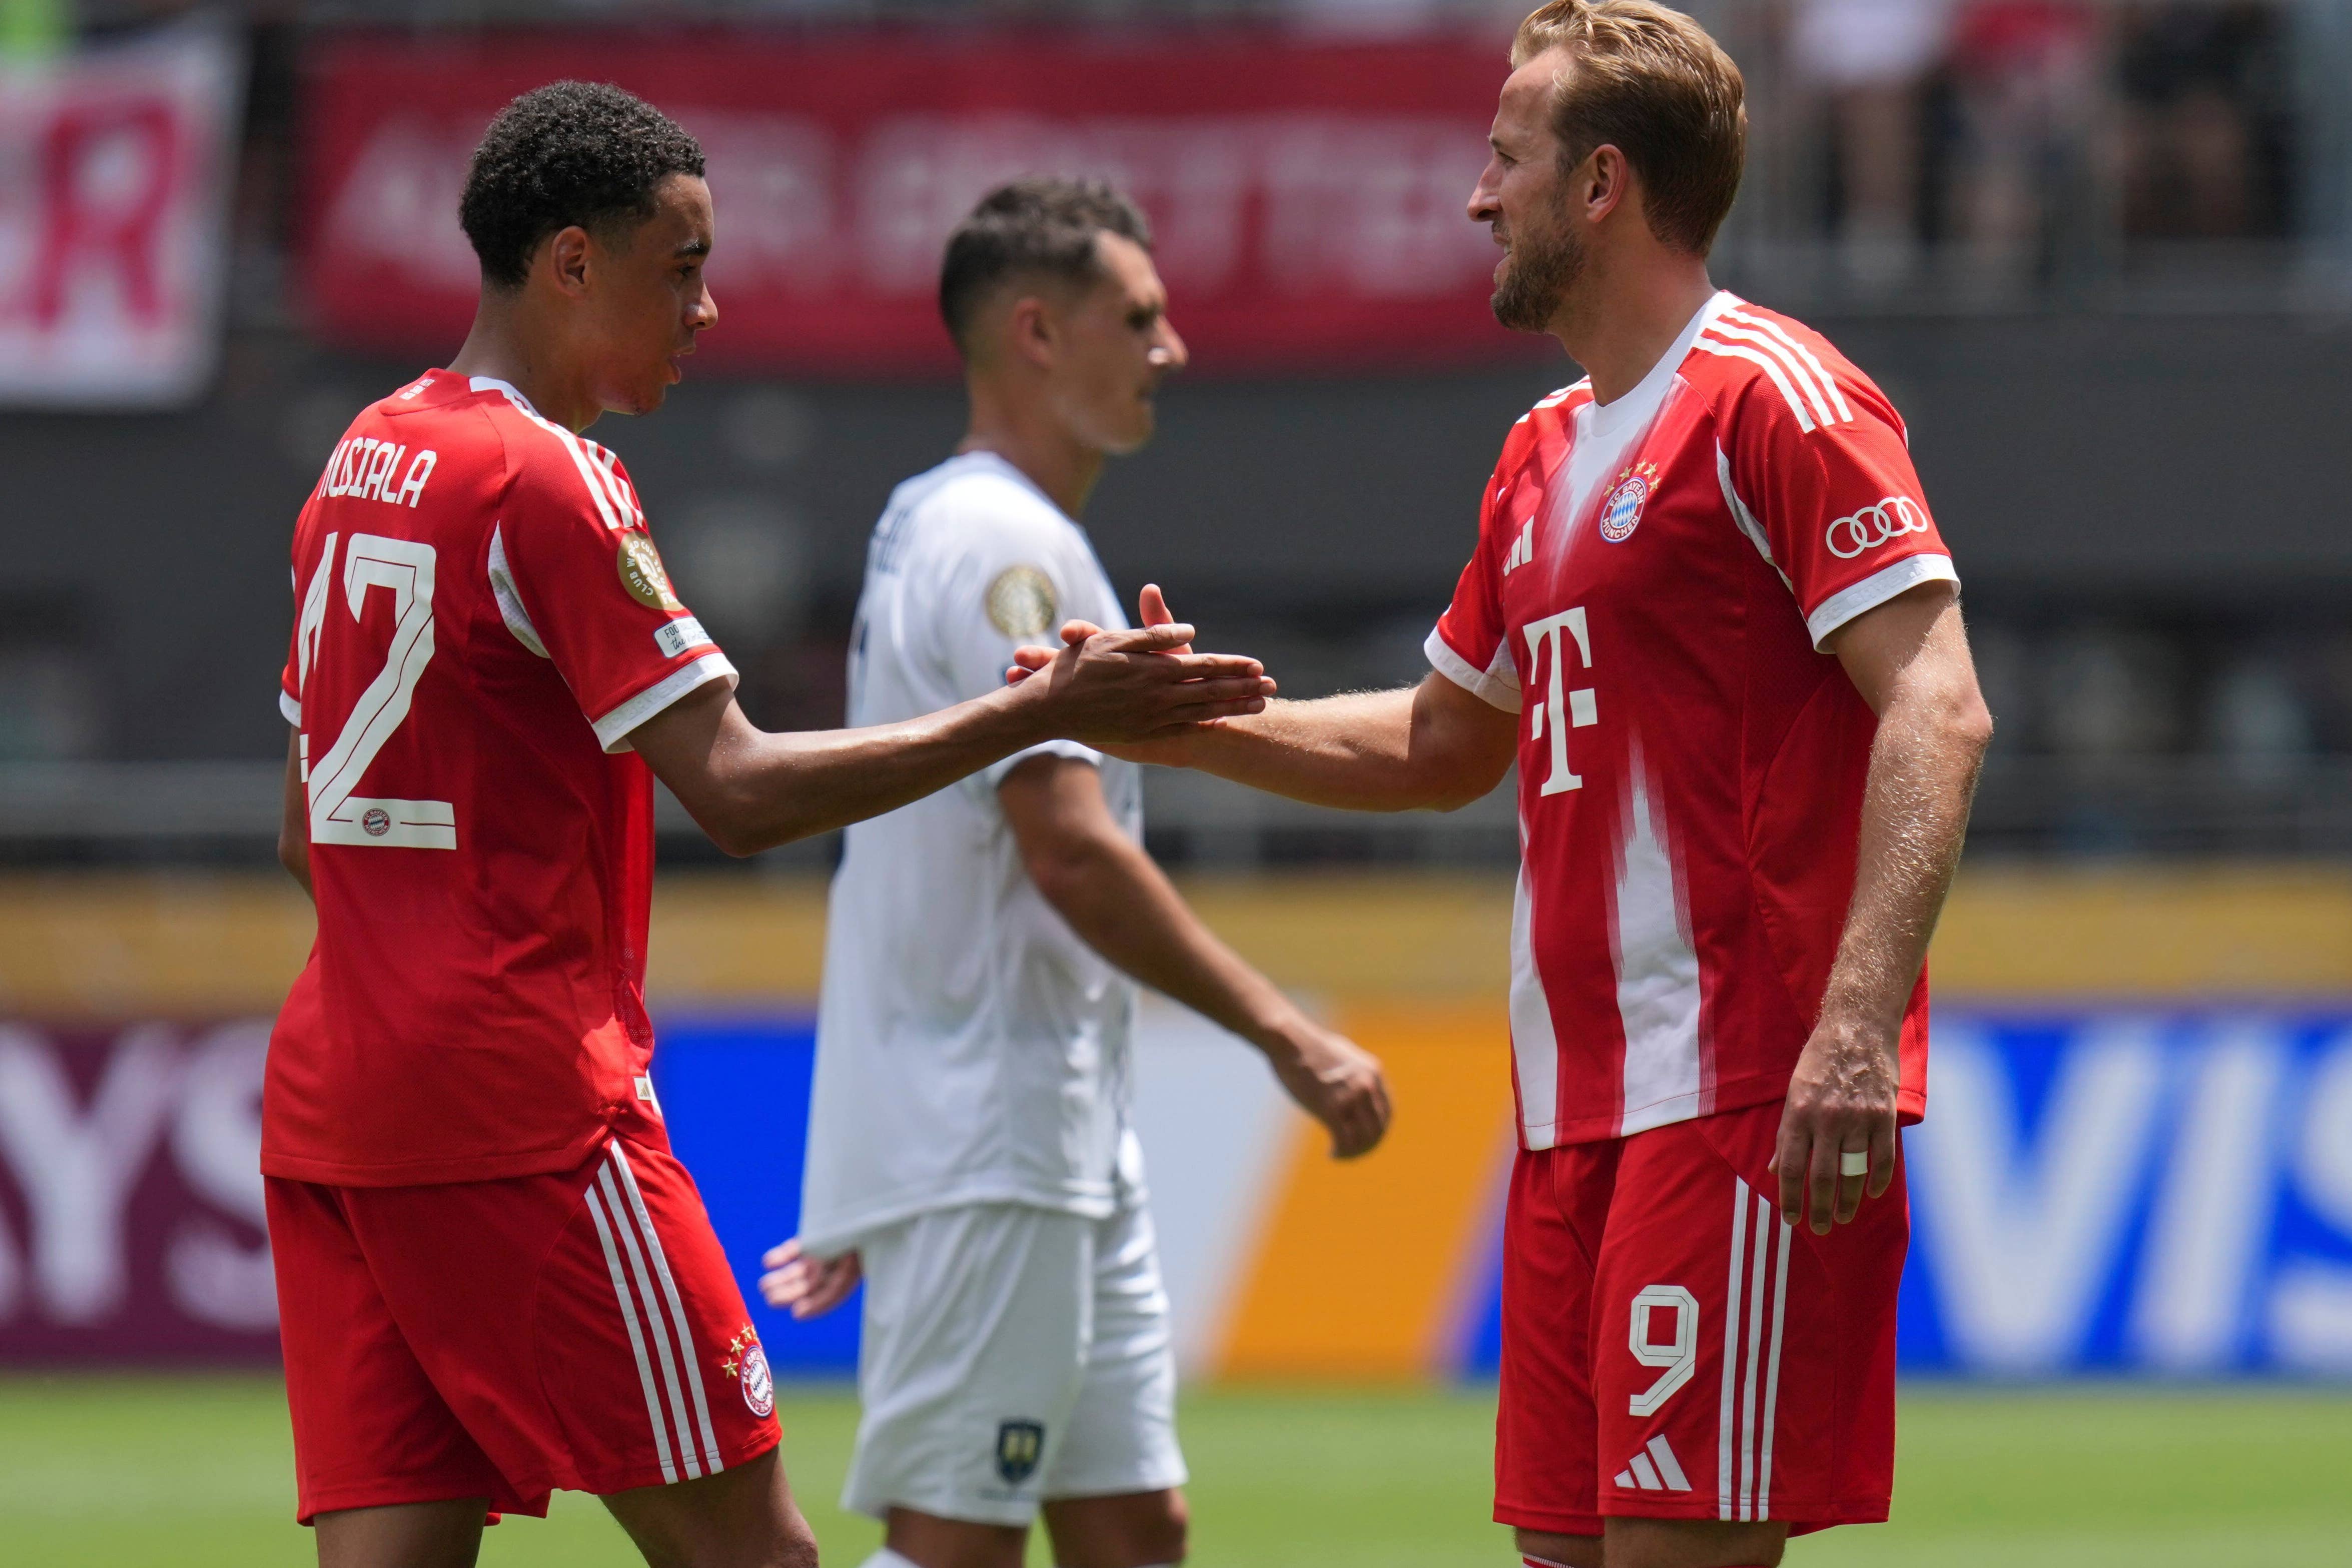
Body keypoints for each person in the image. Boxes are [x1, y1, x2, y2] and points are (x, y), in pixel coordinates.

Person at [1014, 5, 1992, 1565]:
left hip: (1738, 1091)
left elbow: (1939, 707)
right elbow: (1442, 744)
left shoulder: (1779, 401)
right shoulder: (1540, 452)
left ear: (1602, 184)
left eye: (1506, 157)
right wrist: (1180, 728)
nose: (1478, 195)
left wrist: (1858, 1026)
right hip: (1570, 1110)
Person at [266, 86, 1274, 1568]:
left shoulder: (358, 460)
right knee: (760, 1556)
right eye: (681, 269)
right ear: (571, 263)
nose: (710, 309)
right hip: (523, 1109)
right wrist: (1033, 711)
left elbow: (307, 831)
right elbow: (734, 788)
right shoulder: (549, 476)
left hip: (336, 1105)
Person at [757, 179, 1394, 1568]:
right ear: (1038, 333)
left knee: (1133, 1528)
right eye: (1140, 317)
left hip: (1039, 1127)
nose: (1174, 348)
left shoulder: (950, 521)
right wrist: (1285, 1032)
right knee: (957, 1543)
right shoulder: (1008, 545)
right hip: (991, 1130)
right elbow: (1069, 851)